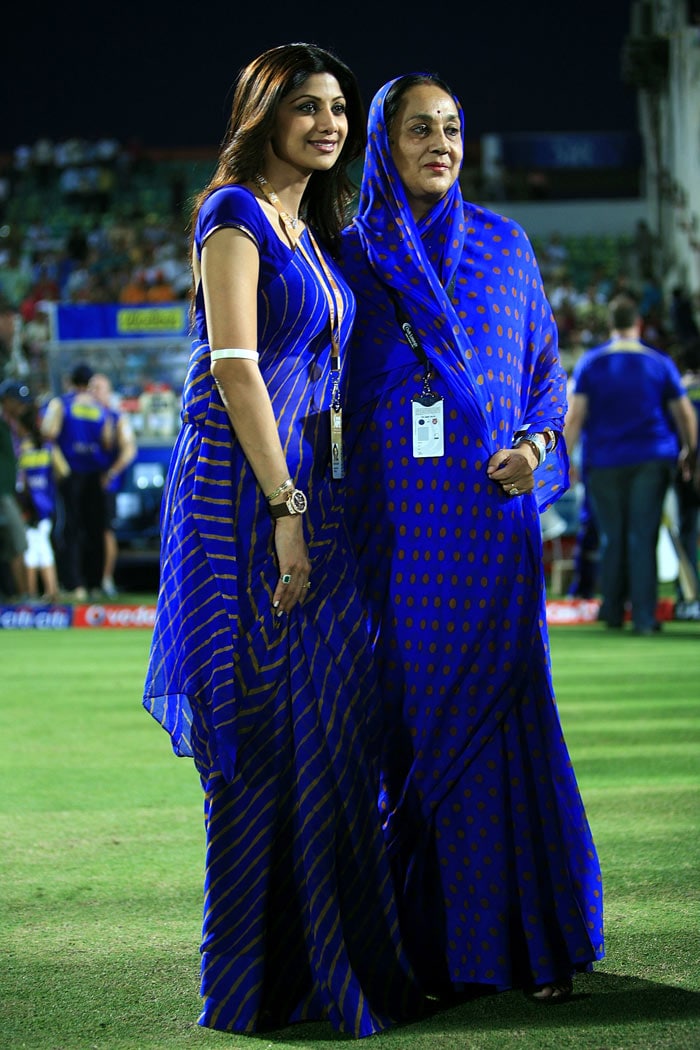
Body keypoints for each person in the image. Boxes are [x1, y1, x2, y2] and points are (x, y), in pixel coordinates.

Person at [142, 43, 421, 1037]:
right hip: (238, 492)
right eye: (306, 107)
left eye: (340, 107)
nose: (329, 123)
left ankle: (322, 967)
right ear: (263, 113)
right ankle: (251, 985)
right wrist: (287, 511)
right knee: (258, 730)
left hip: (305, 487)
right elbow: (235, 369)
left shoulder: (309, 228)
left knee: (327, 729)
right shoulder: (234, 215)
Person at [339, 73, 604, 1005]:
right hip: (398, 541)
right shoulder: (350, 258)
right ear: (383, 141)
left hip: (493, 533)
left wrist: (536, 448)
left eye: (451, 127)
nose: (440, 142)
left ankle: (528, 944)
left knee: (506, 723)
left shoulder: (506, 245)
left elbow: (544, 376)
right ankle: (425, 950)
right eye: (419, 129)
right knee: (410, 726)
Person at [565, 294, 697, 633]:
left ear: (611, 326)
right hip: (652, 459)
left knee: (611, 537)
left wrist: (565, 460)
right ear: (637, 324)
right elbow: (683, 414)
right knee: (643, 535)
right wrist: (691, 452)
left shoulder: (591, 363)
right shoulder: (659, 362)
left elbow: (575, 417)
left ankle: (611, 612)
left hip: (605, 460)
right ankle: (643, 618)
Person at [40, 361, 112, 600]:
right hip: (95, 474)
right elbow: (107, 441)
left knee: (69, 528)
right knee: (94, 529)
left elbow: (49, 432)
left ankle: (74, 584)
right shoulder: (100, 409)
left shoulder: (62, 404)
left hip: (70, 474)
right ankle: (95, 584)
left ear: (71, 382)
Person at [88, 372, 137, 596]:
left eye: (98, 388)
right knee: (87, 529)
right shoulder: (86, 416)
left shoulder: (116, 417)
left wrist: (112, 471)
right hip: (86, 480)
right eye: (91, 387)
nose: (93, 392)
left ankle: (106, 579)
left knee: (106, 530)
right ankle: (89, 580)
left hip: (106, 484)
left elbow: (129, 450)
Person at [15, 400, 66, 602]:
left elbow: (20, 481)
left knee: (34, 550)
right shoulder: (48, 447)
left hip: (29, 506)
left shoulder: (21, 449)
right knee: (42, 546)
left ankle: (33, 593)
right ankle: (50, 592)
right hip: (47, 504)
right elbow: (63, 471)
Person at [0, 378, 30, 599]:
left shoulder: (11, 425)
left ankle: (15, 595)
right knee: (19, 543)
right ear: (6, 400)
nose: (22, 406)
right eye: (17, 401)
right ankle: (24, 597)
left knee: (11, 546)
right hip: (3, 494)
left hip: (9, 492)